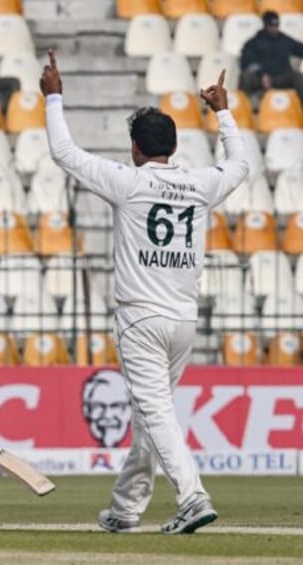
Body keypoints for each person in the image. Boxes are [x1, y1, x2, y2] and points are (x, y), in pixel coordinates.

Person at [40, 51, 248, 534]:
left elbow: (65, 154)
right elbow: (239, 164)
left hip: (140, 318)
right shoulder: (200, 184)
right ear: (172, 147)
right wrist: (223, 111)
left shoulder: (128, 182)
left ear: (135, 147)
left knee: (154, 412)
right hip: (183, 320)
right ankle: (127, 507)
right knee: (149, 414)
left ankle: (193, 498)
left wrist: (53, 98)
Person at [239, 10, 303, 103]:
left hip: (281, 76)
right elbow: (245, 62)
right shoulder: (254, 42)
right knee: (245, 77)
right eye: (271, 25)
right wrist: (262, 75)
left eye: (277, 25)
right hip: (261, 78)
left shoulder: (284, 39)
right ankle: (243, 107)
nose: (275, 28)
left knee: (298, 77)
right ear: (265, 25)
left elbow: (300, 49)